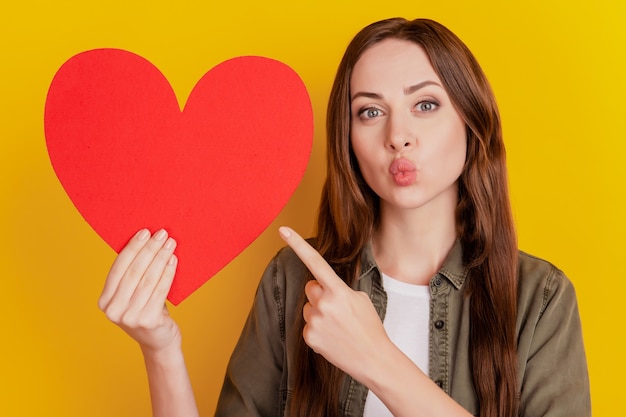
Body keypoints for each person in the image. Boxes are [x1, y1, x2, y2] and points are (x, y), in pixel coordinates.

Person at [98, 17, 591, 417]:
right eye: (370, 112)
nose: (398, 135)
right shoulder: (291, 282)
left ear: (472, 121)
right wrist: (160, 349)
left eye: (425, 104)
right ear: (348, 140)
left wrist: (375, 359)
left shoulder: (540, 300)